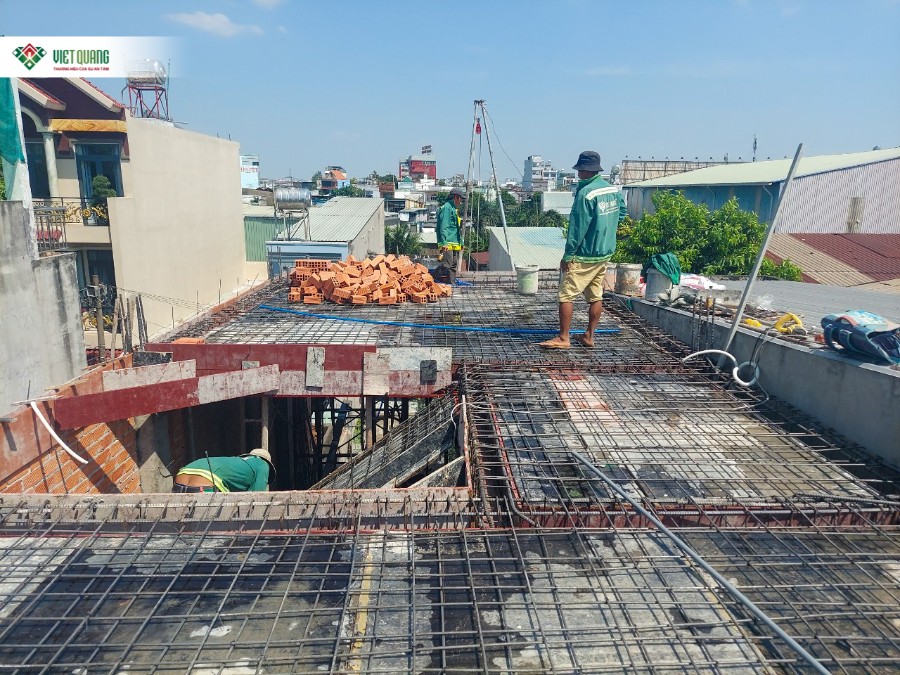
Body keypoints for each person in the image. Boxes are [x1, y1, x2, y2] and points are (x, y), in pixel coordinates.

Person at [540, 150, 627, 350]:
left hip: (584, 254)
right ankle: (589, 336)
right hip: (604, 252)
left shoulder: (586, 193)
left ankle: (563, 338)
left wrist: (568, 255)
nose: (578, 174)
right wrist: (605, 227)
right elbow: (622, 213)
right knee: (595, 295)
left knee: (566, 295)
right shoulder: (612, 190)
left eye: (580, 170)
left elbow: (577, 229)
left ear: (586, 170)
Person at [171, 448, 274, 493]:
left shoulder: (237, 462)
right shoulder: (263, 464)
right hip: (204, 484)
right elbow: (257, 497)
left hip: (181, 478)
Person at [436, 187, 464, 285]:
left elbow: (456, 228)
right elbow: (444, 226)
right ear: (456, 197)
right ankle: (431, 277)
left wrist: (461, 242)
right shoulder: (447, 208)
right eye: (460, 199)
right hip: (447, 241)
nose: (461, 202)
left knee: (453, 264)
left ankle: (451, 284)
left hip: (454, 241)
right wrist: (444, 242)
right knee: (447, 264)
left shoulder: (453, 208)